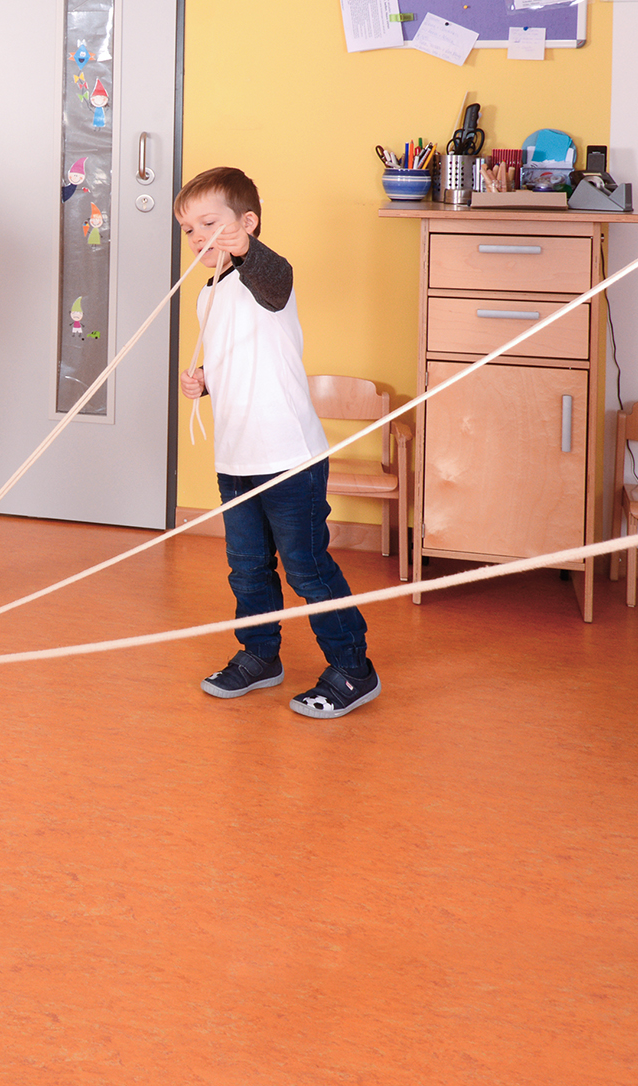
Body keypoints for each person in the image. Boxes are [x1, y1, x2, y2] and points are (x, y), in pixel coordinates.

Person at [176, 167, 380, 718]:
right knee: (246, 568)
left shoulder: (267, 281)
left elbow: (273, 275)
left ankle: (353, 668)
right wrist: (204, 382)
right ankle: (260, 655)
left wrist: (248, 250)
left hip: (290, 457)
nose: (198, 238)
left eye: (209, 224)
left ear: (247, 224)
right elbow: (239, 363)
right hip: (236, 457)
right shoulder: (207, 296)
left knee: (306, 566)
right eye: (189, 230)